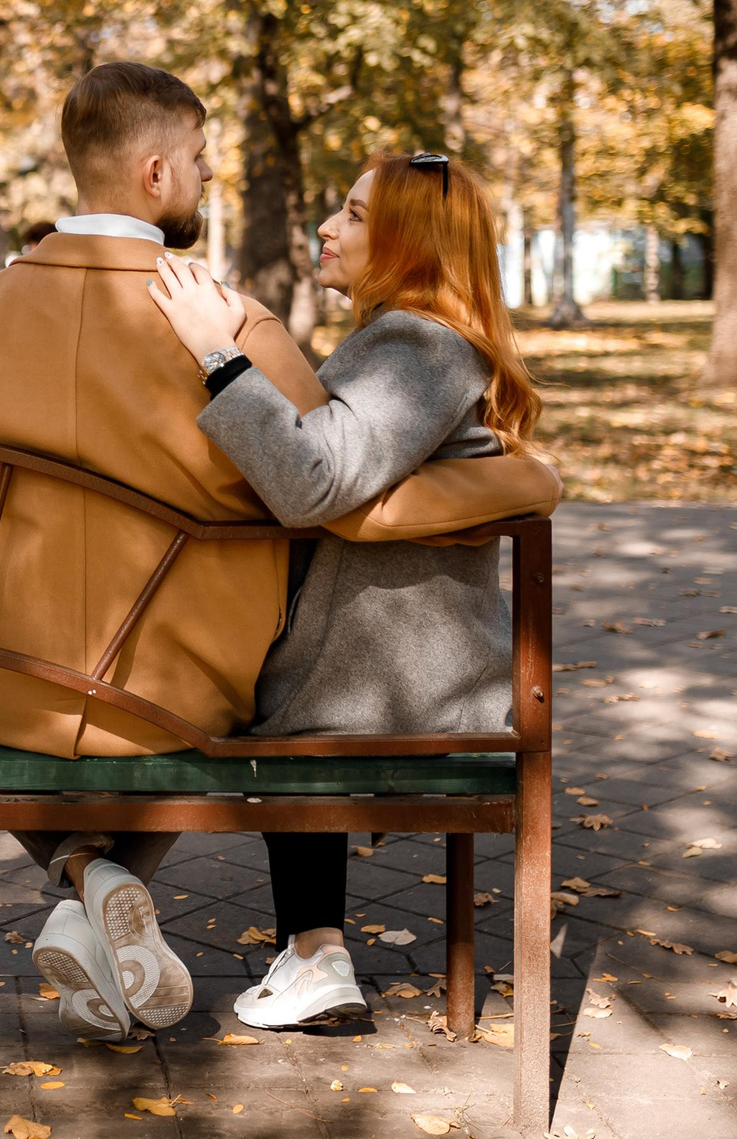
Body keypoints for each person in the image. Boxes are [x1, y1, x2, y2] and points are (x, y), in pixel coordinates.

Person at [0, 67, 559, 1040]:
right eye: (203, 160)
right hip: (189, 678)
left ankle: (89, 876)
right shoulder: (236, 322)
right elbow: (310, 497)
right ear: (156, 172)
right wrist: (522, 480)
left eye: (350, 213)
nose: (211, 176)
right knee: (235, 702)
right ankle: (108, 883)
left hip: (7, 668)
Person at [148, 150, 544, 1031]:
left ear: (412, 240)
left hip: (392, 685)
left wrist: (215, 349)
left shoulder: (420, 344)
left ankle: (98, 890)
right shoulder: (412, 339)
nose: (328, 226)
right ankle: (300, 950)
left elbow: (312, 482)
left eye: (356, 215)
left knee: (175, 694)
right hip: (383, 669)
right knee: (204, 682)